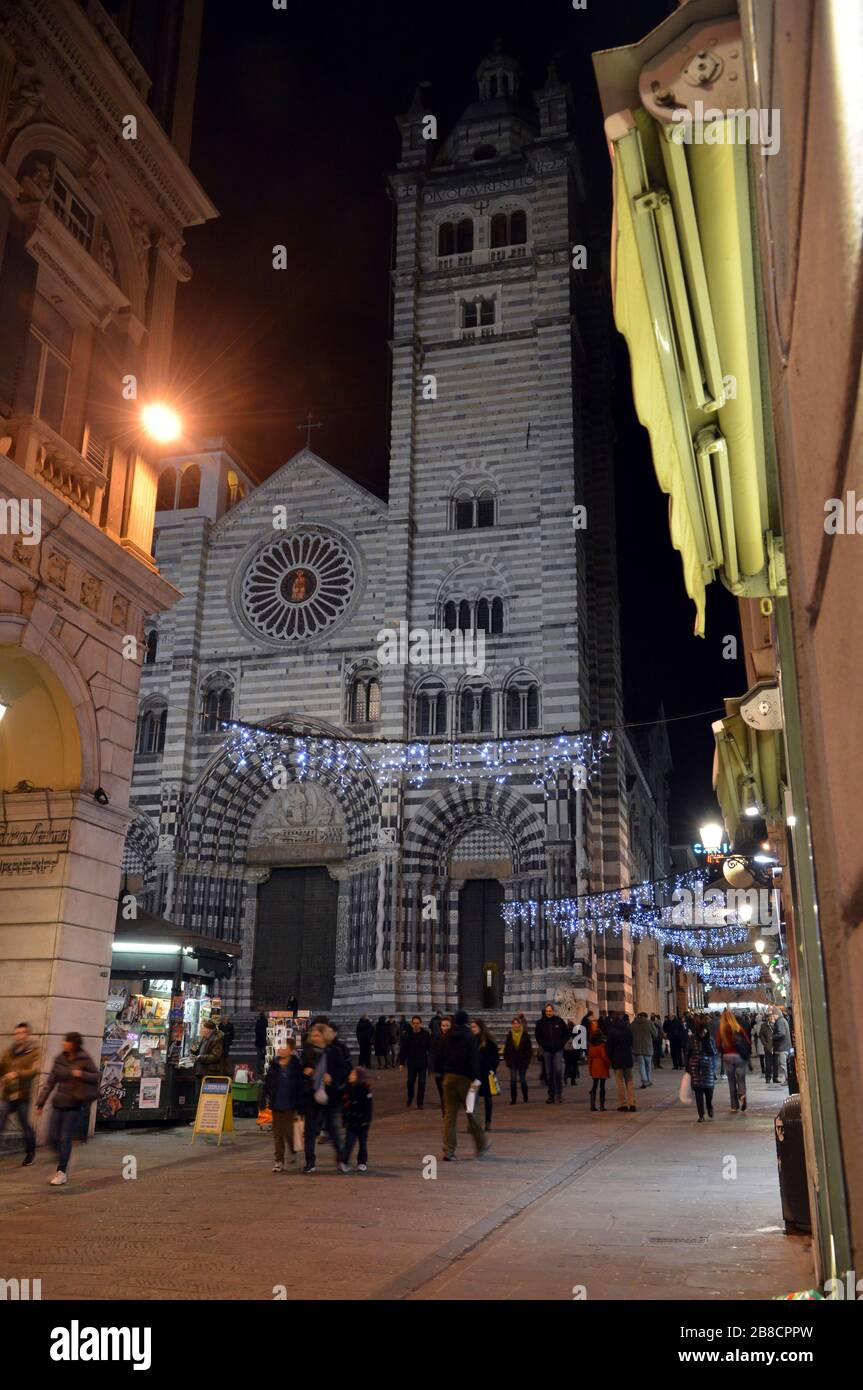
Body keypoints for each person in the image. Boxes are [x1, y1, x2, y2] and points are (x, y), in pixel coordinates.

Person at [35, 1032, 99, 1186]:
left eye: (67, 1042)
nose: (64, 1044)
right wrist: (41, 1102)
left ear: (74, 1044)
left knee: (65, 1137)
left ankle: (61, 1171)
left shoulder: (83, 1058)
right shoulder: (60, 1059)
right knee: (51, 1137)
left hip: (74, 1104)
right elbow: (50, 1082)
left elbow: (96, 1076)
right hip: (58, 1103)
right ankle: (64, 1156)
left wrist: (81, 1074)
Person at [440, 1010, 488, 1161]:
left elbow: (440, 1055)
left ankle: (449, 1150)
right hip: (466, 1079)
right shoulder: (469, 1036)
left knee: (450, 1116)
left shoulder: (446, 1036)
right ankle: (481, 1144)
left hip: (448, 1078)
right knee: (472, 1113)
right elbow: (473, 1059)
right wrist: (476, 1078)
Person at [299, 1023, 340, 1174]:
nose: (314, 1038)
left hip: (329, 1095)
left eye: (317, 1035)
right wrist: (305, 1072)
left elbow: (342, 1070)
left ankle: (341, 1158)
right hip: (311, 1094)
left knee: (332, 1129)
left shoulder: (333, 1051)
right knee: (310, 1130)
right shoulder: (307, 1052)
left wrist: (332, 1077)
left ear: (324, 1036)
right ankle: (310, 1162)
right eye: (313, 1035)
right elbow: (300, 1071)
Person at [0, 1021, 40, 1165]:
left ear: (27, 1034)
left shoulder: (33, 1051)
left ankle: (30, 1153)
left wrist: (17, 1073)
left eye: (22, 1033)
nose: (19, 1036)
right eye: (17, 1033)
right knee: (1, 1121)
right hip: (8, 1094)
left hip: (23, 1095)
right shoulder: (8, 1052)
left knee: (24, 1124)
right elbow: (2, 1067)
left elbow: (34, 1071)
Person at [261, 1040, 302, 1171]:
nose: (281, 1050)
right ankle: (279, 1160)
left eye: (284, 1047)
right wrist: (263, 1097)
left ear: (291, 1050)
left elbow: (299, 1086)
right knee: (278, 1134)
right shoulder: (274, 1065)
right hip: (276, 1103)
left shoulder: (295, 1066)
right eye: (280, 1047)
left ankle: (293, 1150)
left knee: (289, 1133)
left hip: (290, 1104)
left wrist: (300, 1104)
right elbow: (267, 1083)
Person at [535, 1003, 571, 1104]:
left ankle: (559, 1094)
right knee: (549, 1073)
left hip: (558, 1050)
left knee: (558, 1071)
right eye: (547, 1011)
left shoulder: (559, 1021)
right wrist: (543, 1044)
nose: (548, 1013)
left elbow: (567, 1033)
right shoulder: (540, 1023)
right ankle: (551, 1095)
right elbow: (538, 1036)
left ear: (553, 1011)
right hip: (547, 1051)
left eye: (550, 1011)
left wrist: (561, 1043)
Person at [340, 1066, 373, 1172]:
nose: (350, 1076)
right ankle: (344, 1161)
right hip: (351, 1122)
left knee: (362, 1143)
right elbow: (344, 1106)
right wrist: (345, 1119)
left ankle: (362, 1162)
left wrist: (366, 1120)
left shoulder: (365, 1089)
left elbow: (368, 1108)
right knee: (349, 1143)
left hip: (362, 1123)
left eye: (353, 1074)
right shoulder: (347, 1089)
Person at [718, 1007, 750, 1112]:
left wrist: (723, 1052)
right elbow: (747, 1041)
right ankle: (742, 1095)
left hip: (727, 1056)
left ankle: (734, 1106)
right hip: (739, 1056)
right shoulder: (738, 1027)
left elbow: (718, 1044)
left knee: (731, 1081)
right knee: (741, 1079)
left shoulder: (721, 1029)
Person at [685, 1018, 717, 1121]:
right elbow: (688, 1053)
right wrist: (687, 1067)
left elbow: (713, 1052)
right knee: (698, 1093)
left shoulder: (709, 1039)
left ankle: (709, 1106)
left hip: (708, 1068)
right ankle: (701, 1115)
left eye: (704, 1031)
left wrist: (707, 1041)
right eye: (701, 1031)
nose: (703, 1033)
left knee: (709, 1091)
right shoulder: (692, 1039)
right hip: (695, 1069)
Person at [471, 1019, 500, 1130]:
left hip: (486, 1074)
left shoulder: (489, 1042)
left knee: (487, 1099)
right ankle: (475, 1122)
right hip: (474, 1075)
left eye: (474, 1027)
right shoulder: (471, 1041)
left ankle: (488, 1121)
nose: (472, 1029)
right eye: (472, 1027)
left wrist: (491, 1069)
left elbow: (495, 1058)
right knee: (473, 1099)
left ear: (480, 1027)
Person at [191, 1018, 225, 1108]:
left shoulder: (216, 1039)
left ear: (208, 1030)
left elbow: (215, 1056)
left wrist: (200, 1058)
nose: (201, 1030)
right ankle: (197, 1118)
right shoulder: (205, 1038)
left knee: (205, 1096)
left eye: (203, 1028)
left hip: (209, 1072)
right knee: (198, 1095)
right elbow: (201, 1052)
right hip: (201, 1071)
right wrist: (195, 1051)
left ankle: (201, 1118)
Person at [399, 1015, 431, 1108]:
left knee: (422, 1083)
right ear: (412, 1024)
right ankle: (410, 1096)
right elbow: (403, 1050)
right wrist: (401, 1063)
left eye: (417, 1023)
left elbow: (430, 1048)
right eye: (414, 1023)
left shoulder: (426, 1034)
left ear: (420, 1024)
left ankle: (420, 1103)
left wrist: (432, 1061)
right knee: (410, 1082)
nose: (416, 1025)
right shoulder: (407, 1035)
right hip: (412, 1062)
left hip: (422, 1062)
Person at [606, 1012, 636, 1112]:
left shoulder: (612, 1032)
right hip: (627, 1058)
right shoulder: (627, 1030)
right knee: (630, 1082)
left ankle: (623, 1104)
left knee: (620, 1082)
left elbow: (609, 1048)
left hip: (617, 1059)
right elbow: (631, 1042)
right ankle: (632, 1104)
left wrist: (610, 1058)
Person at [503, 1015, 532, 1104]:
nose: (516, 1025)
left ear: (520, 1024)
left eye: (517, 1023)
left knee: (523, 1080)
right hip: (512, 1061)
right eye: (514, 1024)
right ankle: (513, 1099)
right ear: (512, 1025)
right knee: (513, 1081)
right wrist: (507, 1060)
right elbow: (506, 1049)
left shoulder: (525, 1035)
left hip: (522, 1061)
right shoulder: (509, 1035)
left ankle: (525, 1096)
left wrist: (527, 1059)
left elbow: (529, 1049)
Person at [631, 1011, 657, 1089]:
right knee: (648, 1066)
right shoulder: (649, 1023)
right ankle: (647, 1080)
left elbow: (629, 1033)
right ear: (646, 1016)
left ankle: (644, 1081)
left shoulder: (633, 1024)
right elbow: (655, 1034)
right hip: (647, 1047)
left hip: (637, 1048)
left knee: (641, 1066)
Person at [431, 1015, 452, 1112]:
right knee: (443, 1095)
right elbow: (433, 1054)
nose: (445, 1028)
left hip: (451, 1071)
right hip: (440, 1071)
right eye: (443, 1026)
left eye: (447, 1026)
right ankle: (446, 1115)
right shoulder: (436, 1038)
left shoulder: (455, 1039)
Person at [587, 1023, 610, 1111]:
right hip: (602, 1067)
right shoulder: (602, 1046)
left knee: (594, 1086)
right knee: (602, 1087)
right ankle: (602, 1105)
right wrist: (609, 1064)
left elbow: (589, 1059)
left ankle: (592, 1105)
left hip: (594, 1067)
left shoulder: (591, 1046)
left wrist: (590, 1070)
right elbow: (604, 1057)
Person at [773, 1009, 791, 1085]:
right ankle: (789, 1079)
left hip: (783, 1046)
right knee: (787, 1064)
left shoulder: (779, 1021)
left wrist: (773, 1037)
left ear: (777, 1014)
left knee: (784, 1064)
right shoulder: (784, 1020)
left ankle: (787, 1080)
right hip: (787, 1046)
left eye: (773, 1015)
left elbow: (782, 1033)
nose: (773, 1017)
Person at [759, 1010, 776, 1082]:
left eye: (771, 1017)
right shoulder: (763, 1026)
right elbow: (761, 1035)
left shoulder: (776, 1024)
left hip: (775, 1046)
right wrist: (764, 1043)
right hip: (767, 1047)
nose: (770, 1018)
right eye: (769, 1017)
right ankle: (768, 1078)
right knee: (768, 1063)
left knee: (775, 1063)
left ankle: (775, 1077)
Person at [563, 1020, 580, 1085]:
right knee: (574, 1066)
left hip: (567, 1051)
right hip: (574, 1051)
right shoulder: (577, 1032)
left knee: (567, 1065)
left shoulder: (565, 1032)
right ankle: (573, 1080)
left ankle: (565, 1076)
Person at [254, 1009, 268, 1074]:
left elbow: (256, 1031)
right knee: (265, 1056)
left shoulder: (258, 1022)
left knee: (259, 1057)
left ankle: (259, 1069)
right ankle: (265, 1068)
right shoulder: (266, 1022)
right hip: (264, 1041)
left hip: (258, 1042)